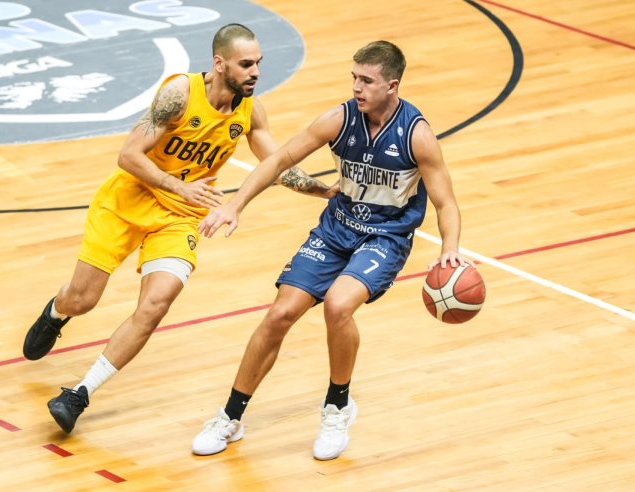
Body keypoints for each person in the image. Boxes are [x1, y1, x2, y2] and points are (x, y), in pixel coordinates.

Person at [21, 23, 336, 434]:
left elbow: (277, 165)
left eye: (258, 63)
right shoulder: (179, 94)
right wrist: (178, 185)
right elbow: (128, 154)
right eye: (246, 64)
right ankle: (57, 312)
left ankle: (78, 394)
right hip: (128, 201)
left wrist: (322, 190)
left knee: (156, 304)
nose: (256, 72)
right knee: (82, 299)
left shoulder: (250, 110)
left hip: (179, 217)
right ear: (219, 64)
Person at [192, 40, 473, 460]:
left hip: (385, 238)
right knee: (280, 314)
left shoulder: (417, 135)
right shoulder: (338, 119)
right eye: (354, 78)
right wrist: (235, 205)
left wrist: (450, 248)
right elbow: (278, 160)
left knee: (338, 306)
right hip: (335, 229)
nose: (357, 88)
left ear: (392, 86)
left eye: (367, 81)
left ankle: (337, 406)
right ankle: (230, 416)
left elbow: (446, 202)